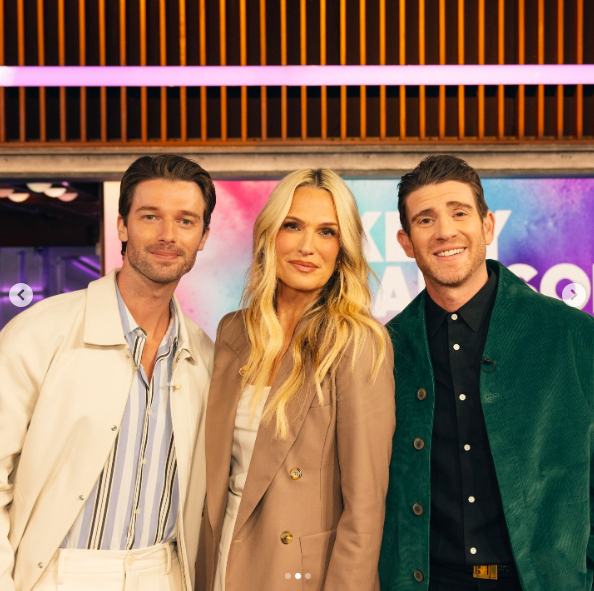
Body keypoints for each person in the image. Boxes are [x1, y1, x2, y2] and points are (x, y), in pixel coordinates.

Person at [0, 154, 216, 591]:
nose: (168, 235)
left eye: (186, 221)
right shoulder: (39, 332)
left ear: (204, 236)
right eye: (150, 216)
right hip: (58, 573)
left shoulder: (205, 354)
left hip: (166, 573)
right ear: (122, 226)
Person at [378, 154, 594, 591]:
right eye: (425, 219)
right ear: (405, 242)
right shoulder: (386, 349)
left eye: (459, 212)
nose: (445, 231)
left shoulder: (571, 335)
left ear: (488, 225)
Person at [196, 169, 395, 591]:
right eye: (293, 226)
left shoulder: (356, 342)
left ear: (343, 250)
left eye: (327, 232)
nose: (308, 247)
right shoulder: (234, 330)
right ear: (270, 234)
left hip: (299, 573)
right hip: (222, 556)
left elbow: (365, 507)